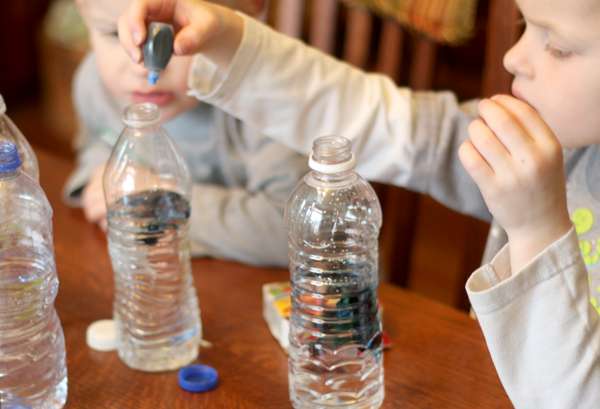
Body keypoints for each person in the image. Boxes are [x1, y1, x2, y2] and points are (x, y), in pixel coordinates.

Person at [117, 0, 600, 406]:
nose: (514, 56)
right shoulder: (567, 145)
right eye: (522, 26)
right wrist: (230, 44)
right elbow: (390, 124)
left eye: (558, 45)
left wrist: (537, 231)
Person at [63, 0, 308, 267]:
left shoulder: (267, 102)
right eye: (114, 34)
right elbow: (97, 143)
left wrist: (166, 204)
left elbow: (300, 232)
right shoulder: (94, 83)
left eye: (176, 34)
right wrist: (101, 177)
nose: (143, 66)